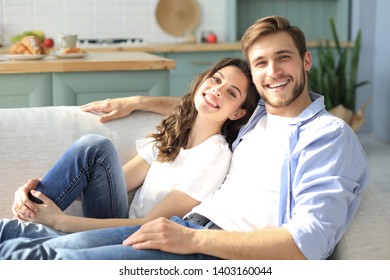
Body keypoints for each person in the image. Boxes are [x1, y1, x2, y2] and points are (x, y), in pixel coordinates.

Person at [0, 15, 368, 260]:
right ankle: (26, 217)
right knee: (24, 242)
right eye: (261, 63)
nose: (273, 72)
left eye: (283, 58)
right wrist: (138, 101)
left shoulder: (327, 136)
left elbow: (309, 242)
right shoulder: (257, 119)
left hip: (207, 250)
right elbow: (207, 105)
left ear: (305, 61)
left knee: (50, 259)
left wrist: (192, 240)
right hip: (181, 229)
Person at [3, 58, 258, 234]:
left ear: (237, 113)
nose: (217, 90)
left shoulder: (214, 155)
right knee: (94, 147)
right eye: (216, 80)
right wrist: (33, 192)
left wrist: (60, 221)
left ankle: (30, 226)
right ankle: (27, 215)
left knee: (95, 146)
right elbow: (108, 181)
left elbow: (148, 223)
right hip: (116, 217)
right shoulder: (174, 133)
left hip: (135, 234)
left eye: (231, 93)